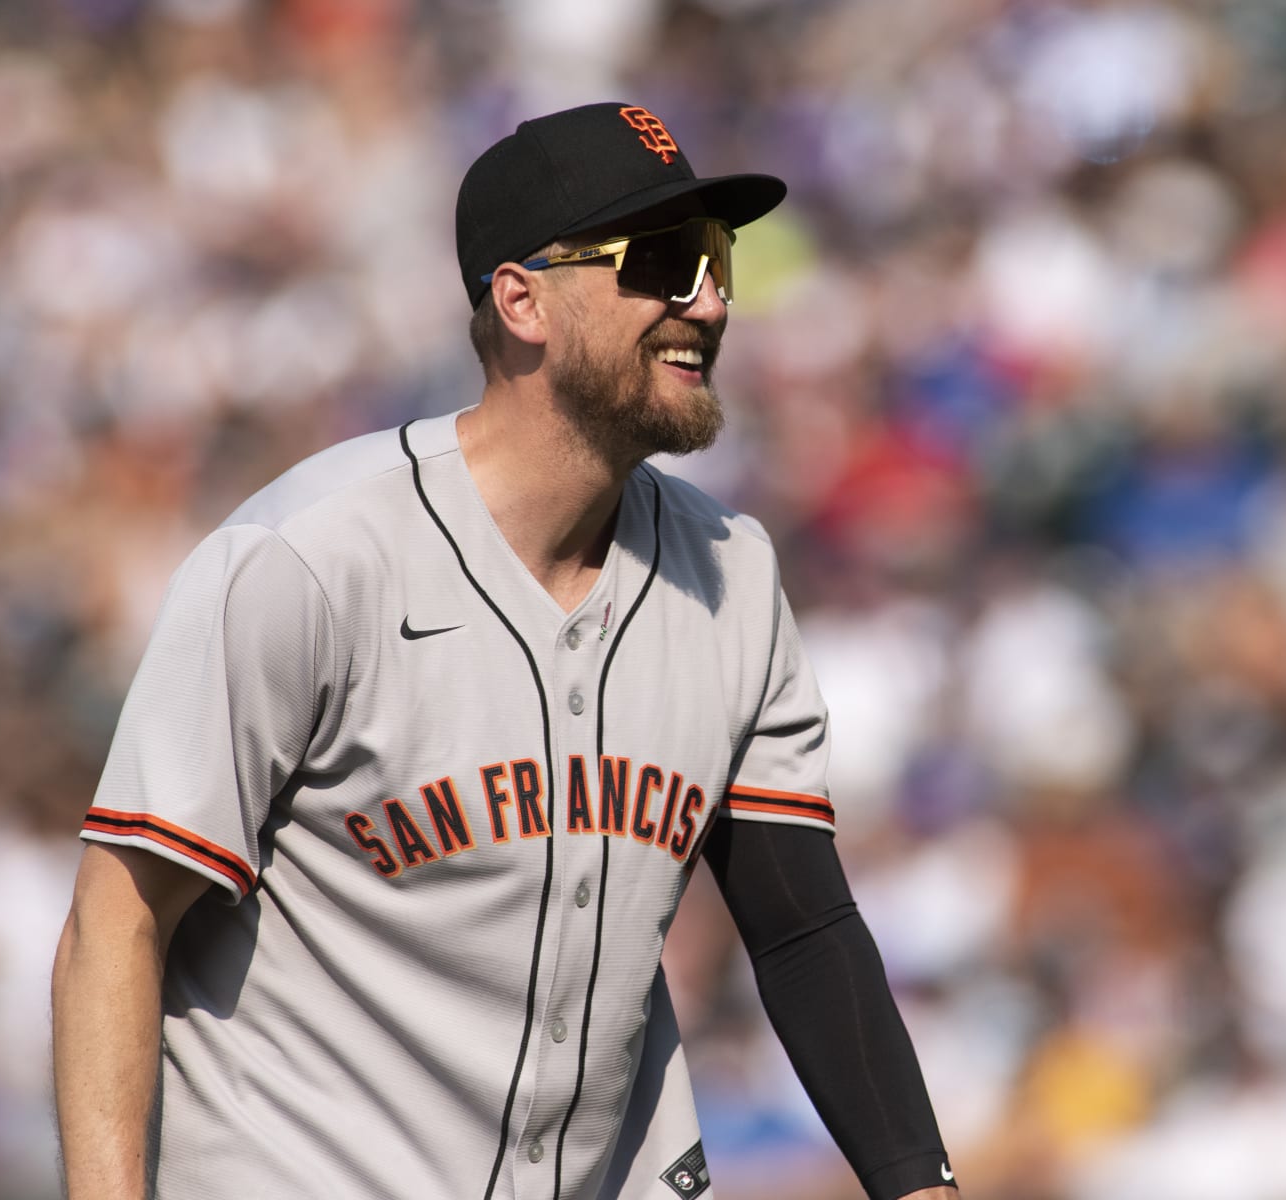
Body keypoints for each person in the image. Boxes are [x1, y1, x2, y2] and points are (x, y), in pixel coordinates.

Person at [51, 101, 957, 1200]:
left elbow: (805, 927)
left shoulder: (734, 575)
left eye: (715, 259)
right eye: (662, 263)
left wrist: (923, 1186)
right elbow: (120, 913)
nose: (709, 301)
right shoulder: (310, 558)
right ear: (521, 300)